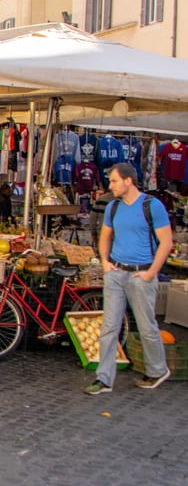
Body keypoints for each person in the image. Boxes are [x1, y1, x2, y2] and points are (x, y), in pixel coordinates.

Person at [85, 163, 173, 395]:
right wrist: (105, 261)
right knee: (109, 327)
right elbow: (105, 236)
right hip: (116, 273)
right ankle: (104, 379)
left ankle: (157, 370)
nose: (110, 185)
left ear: (128, 181)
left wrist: (152, 272)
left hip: (140, 274)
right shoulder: (113, 207)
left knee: (147, 327)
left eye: (114, 181)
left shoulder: (152, 206)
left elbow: (166, 242)